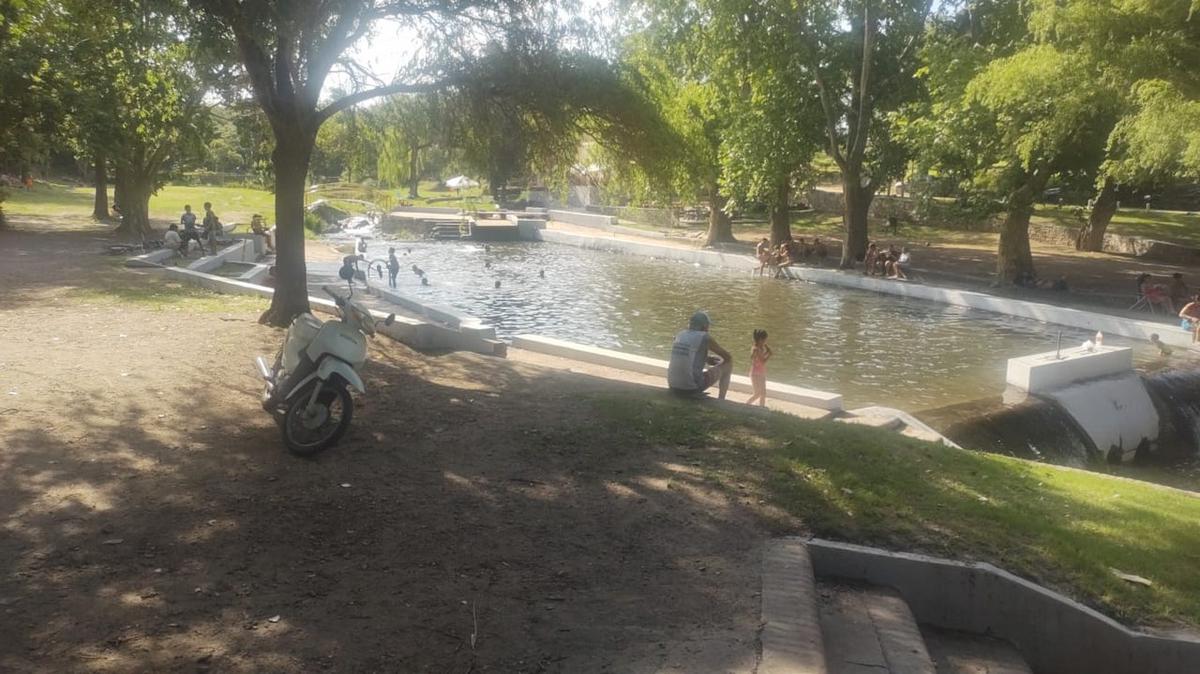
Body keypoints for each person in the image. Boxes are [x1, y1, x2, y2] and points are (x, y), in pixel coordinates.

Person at [667, 311, 733, 400]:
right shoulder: (704, 337)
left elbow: (686, 355)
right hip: (691, 387)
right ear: (704, 326)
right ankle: (721, 400)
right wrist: (717, 361)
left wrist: (706, 358)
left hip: (673, 385)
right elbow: (727, 357)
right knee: (728, 364)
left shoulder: (680, 334)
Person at [745, 329, 772, 407]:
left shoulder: (758, 348)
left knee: (762, 393)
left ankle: (761, 407)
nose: (765, 342)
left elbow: (760, 358)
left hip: (760, 372)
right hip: (757, 374)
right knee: (758, 393)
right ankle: (747, 405)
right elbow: (763, 361)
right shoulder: (756, 349)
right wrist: (769, 354)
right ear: (760, 340)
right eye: (765, 340)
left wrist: (767, 352)